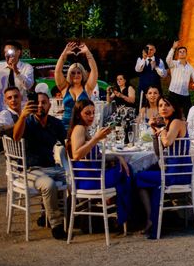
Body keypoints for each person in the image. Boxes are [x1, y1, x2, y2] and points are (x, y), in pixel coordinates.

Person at [67, 99, 131, 232]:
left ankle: (122, 216)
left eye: (93, 113)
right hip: (89, 180)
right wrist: (96, 138)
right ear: (79, 114)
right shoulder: (79, 129)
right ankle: (125, 217)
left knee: (124, 168)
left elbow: (96, 155)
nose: (91, 116)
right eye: (87, 113)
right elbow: (76, 154)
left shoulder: (84, 128)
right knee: (126, 171)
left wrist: (117, 157)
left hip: (92, 176)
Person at [13, 92, 68, 239]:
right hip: (31, 169)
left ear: (49, 105)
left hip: (52, 166)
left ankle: (74, 218)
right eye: (36, 103)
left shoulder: (55, 123)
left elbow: (67, 143)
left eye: (43, 102)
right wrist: (22, 116)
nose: (39, 106)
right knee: (49, 185)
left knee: (75, 178)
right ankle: (56, 225)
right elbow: (16, 137)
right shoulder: (28, 121)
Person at [135, 96, 190, 238]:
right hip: (170, 171)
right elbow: (159, 153)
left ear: (174, 107)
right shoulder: (168, 124)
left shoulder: (177, 122)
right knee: (142, 180)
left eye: (167, 105)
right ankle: (151, 219)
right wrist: (154, 131)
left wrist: (162, 130)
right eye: (160, 105)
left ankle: (152, 221)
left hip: (178, 172)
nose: (163, 108)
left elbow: (167, 142)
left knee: (139, 177)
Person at [55, 42, 99, 128]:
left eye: (79, 73)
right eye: (73, 73)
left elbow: (94, 71)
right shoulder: (64, 87)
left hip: (82, 126)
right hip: (65, 126)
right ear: (69, 74)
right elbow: (57, 71)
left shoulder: (87, 88)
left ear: (82, 74)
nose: (76, 75)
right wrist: (64, 54)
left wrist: (88, 53)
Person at [0, 40, 34, 112]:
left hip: (22, 108)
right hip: (4, 108)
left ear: (18, 52)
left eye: (10, 51)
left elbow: (28, 85)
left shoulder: (27, 67)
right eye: (5, 52)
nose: (7, 54)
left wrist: (16, 71)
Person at [165, 41, 194, 120]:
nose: (182, 53)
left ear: (186, 54)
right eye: (180, 52)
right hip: (173, 93)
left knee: (189, 114)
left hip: (185, 95)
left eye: (184, 52)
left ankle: (188, 129)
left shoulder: (190, 67)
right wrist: (173, 48)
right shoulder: (174, 64)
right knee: (172, 114)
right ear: (178, 54)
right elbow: (168, 60)